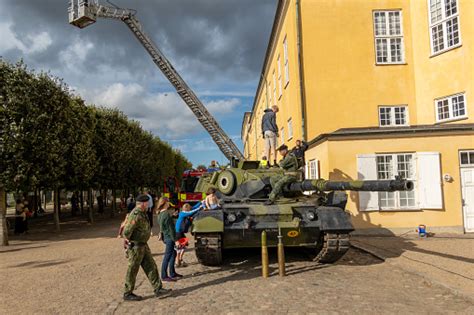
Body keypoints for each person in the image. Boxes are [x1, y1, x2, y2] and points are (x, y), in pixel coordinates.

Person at [122, 194, 171, 301]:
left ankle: (158, 288)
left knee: (151, 266)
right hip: (136, 246)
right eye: (148, 202)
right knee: (133, 269)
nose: (149, 204)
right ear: (143, 203)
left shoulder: (142, 213)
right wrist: (128, 242)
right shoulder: (135, 214)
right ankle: (127, 293)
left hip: (143, 245)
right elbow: (126, 231)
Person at [157, 197, 183, 282]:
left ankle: (172, 273)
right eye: (168, 202)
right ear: (165, 203)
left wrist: (172, 216)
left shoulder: (160, 214)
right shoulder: (166, 214)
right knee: (167, 256)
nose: (169, 204)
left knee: (173, 254)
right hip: (169, 237)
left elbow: (163, 224)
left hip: (165, 236)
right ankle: (164, 276)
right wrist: (176, 240)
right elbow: (171, 229)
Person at [175, 202, 202, 267]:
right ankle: (177, 261)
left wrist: (201, 202)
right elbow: (192, 212)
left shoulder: (184, 212)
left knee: (184, 245)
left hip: (180, 232)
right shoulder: (182, 213)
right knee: (179, 247)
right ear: (187, 209)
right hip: (178, 232)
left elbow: (193, 207)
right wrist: (199, 208)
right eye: (189, 209)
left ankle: (180, 260)